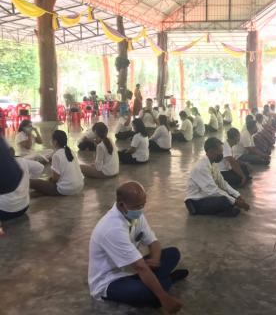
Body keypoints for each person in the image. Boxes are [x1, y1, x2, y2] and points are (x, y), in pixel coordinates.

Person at [88, 181, 187, 311]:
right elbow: (140, 267)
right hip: (110, 280)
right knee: (141, 292)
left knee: (173, 254)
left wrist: (156, 259)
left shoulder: (134, 213)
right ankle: (166, 281)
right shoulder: (112, 228)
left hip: (131, 267)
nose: (141, 209)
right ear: (122, 205)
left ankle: (159, 284)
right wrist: (165, 299)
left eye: (143, 205)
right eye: (138, 206)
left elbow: (154, 242)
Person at [185, 137, 250, 217]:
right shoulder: (201, 167)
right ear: (210, 152)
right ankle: (225, 209)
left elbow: (222, 183)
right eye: (219, 152)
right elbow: (212, 190)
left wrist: (237, 195)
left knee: (229, 196)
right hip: (196, 201)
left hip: (205, 195)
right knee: (225, 201)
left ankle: (226, 209)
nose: (221, 155)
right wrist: (235, 201)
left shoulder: (214, 164)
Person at [30, 130, 84, 196]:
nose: (51, 141)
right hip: (79, 186)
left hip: (67, 189)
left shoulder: (56, 155)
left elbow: (55, 178)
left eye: (51, 139)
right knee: (45, 185)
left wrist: (49, 180)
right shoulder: (71, 151)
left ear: (55, 142)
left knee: (32, 182)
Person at [0, 148, 43, 227]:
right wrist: (28, 181)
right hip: (23, 208)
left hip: (4, 212)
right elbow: (40, 167)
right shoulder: (23, 161)